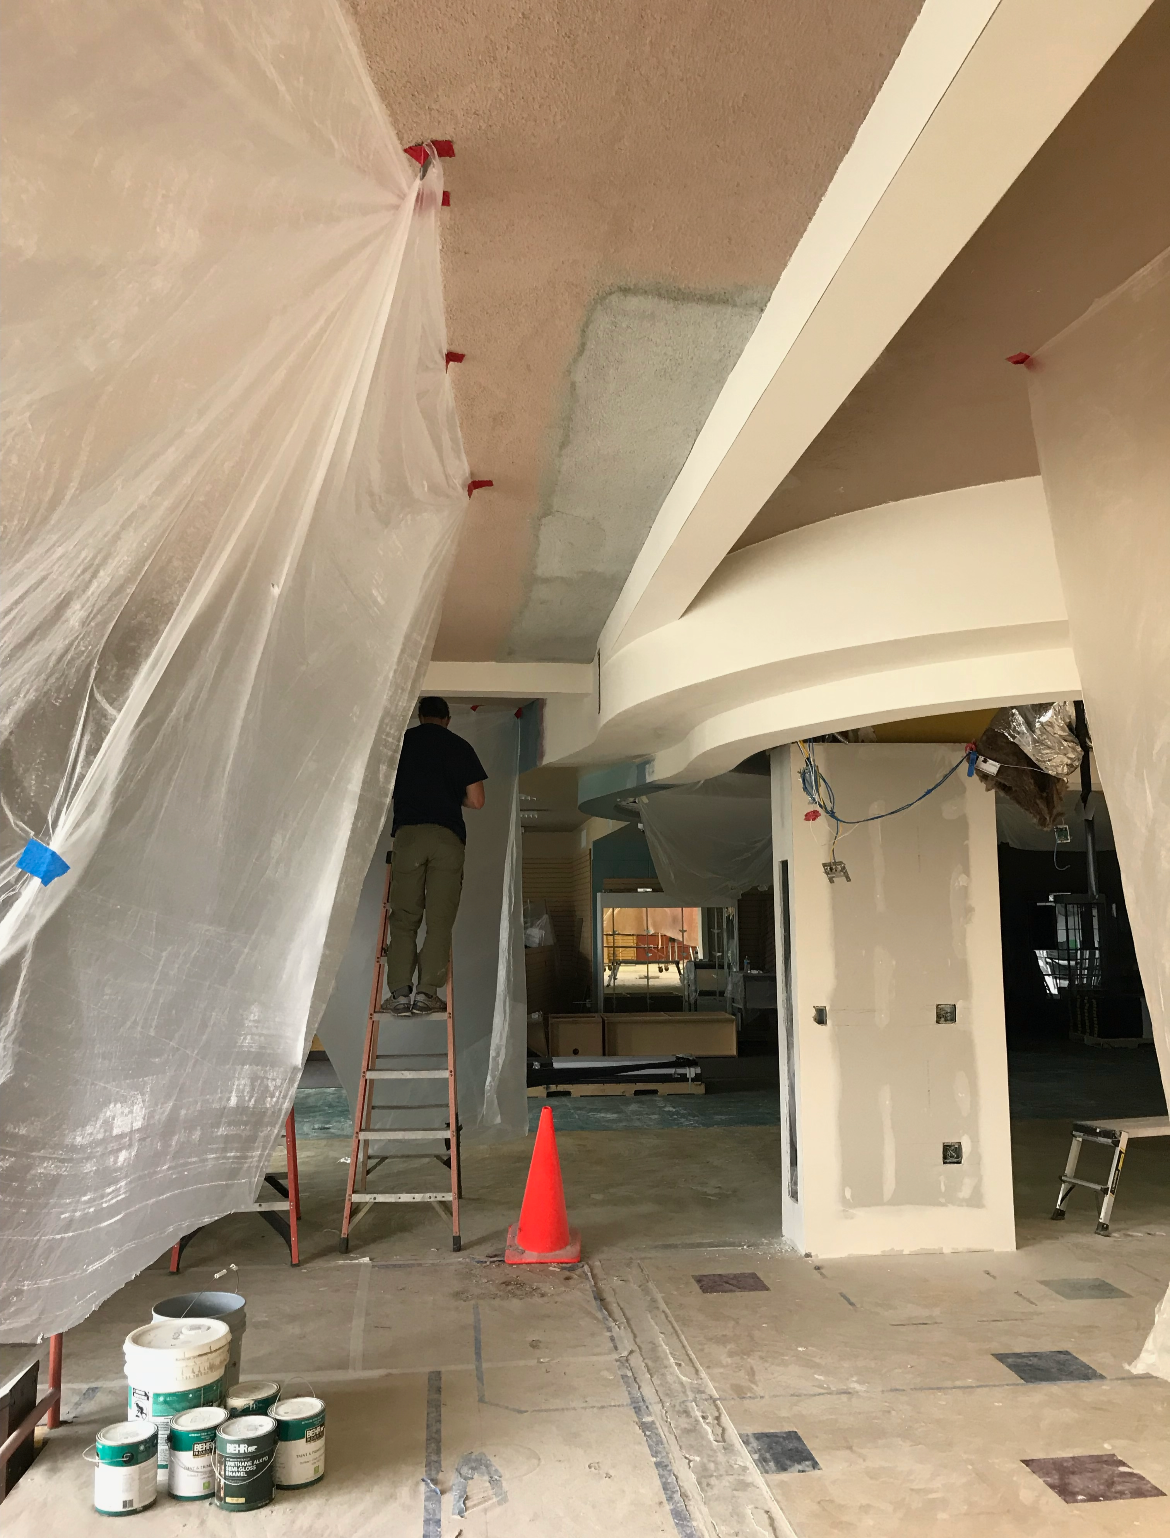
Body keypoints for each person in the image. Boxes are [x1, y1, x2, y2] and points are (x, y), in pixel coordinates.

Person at [384, 697, 487, 1015]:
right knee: (439, 921)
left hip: (409, 837)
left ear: (419, 716)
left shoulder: (400, 745)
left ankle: (400, 993)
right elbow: (478, 801)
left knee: (404, 918)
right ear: (448, 719)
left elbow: (383, 789)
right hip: (447, 839)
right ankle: (427, 993)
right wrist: (452, 799)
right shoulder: (460, 746)